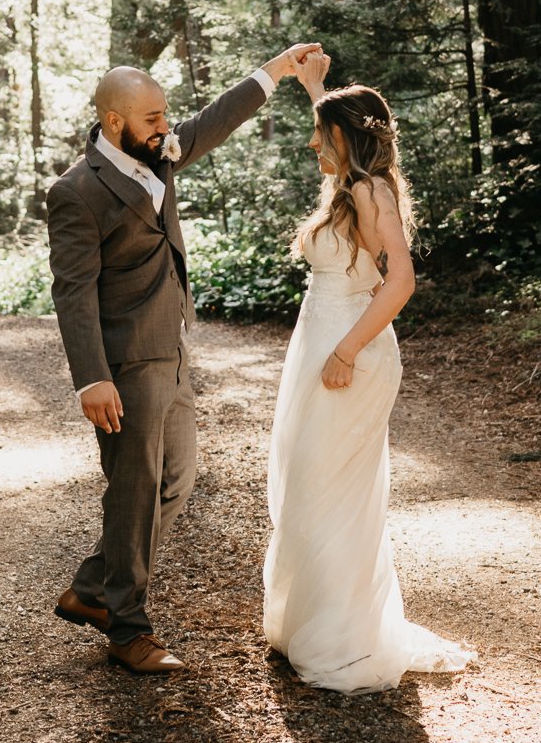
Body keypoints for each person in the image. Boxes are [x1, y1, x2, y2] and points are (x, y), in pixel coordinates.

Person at [45, 45, 321, 674]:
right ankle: (128, 631)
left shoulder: (159, 153)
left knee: (175, 483)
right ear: (114, 123)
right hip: (123, 365)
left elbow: (215, 120)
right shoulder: (77, 192)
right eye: (151, 117)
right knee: (134, 491)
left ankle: (92, 588)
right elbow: (73, 292)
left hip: (171, 351)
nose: (166, 126)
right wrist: (92, 377)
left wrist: (276, 70)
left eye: (165, 114)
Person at [262, 48, 473, 692]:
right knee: (310, 481)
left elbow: (401, 281)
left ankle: (344, 634)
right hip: (320, 341)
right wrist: (317, 88)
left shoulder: (371, 189)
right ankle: (316, 615)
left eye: (321, 138)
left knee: (335, 491)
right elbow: (337, 136)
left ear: (345, 141)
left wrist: (348, 348)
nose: (311, 145)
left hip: (351, 347)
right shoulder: (350, 185)